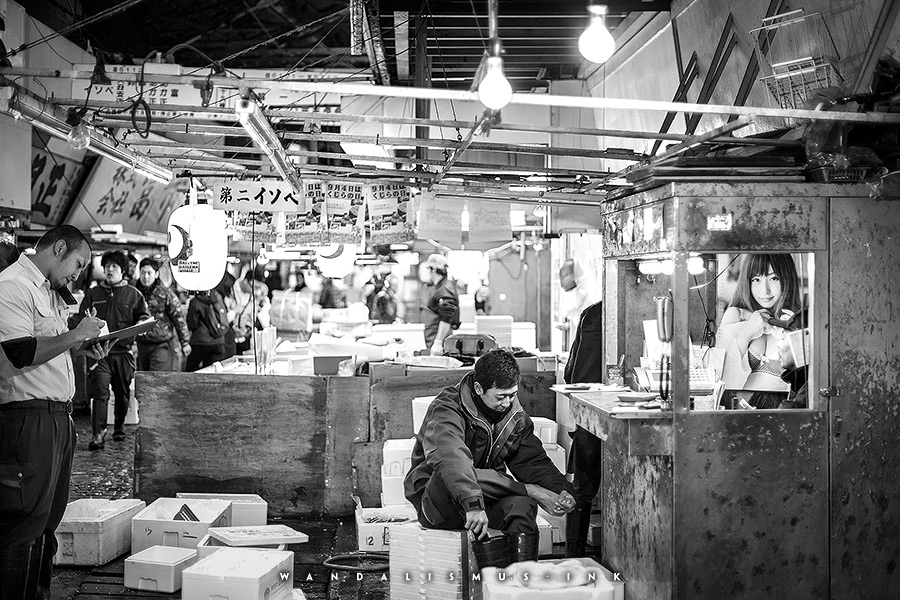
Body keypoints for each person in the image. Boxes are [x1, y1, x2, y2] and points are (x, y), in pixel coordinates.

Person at [0, 225, 110, 599]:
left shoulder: (50, 293)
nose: (78, 274)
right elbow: (21, 353)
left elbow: (49, 351)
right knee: (24, 524)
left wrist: (82, 347)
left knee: (48, 523)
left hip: (58, 419)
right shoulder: (12, 285)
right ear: (59, 247)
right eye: (78, 263)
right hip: (27, 420)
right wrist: (77, 335)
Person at [404, 349, 575, 566]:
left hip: (483, 496)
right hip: (438, 503)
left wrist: (561, 490)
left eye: (512, 395)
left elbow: (532, 461)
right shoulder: (447, 408)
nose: (507, 403)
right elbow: (452, 460)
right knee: (455, 472)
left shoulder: (514, 417)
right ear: (478, 388)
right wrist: (473, 503)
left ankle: (518, 581)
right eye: (500, 396)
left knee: (522, 506)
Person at [76, 250, 150, 449]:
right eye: (107, 266)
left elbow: (143, 316)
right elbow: (79, 318)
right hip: (99, 353)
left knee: (122, 392)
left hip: (123, 354)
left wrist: (142, 325)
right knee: (99, 393)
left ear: (123, 271)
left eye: (114, 267)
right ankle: (97, 435)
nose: (109, 270)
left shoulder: (134, 294)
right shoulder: (93, 293)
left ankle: (119, 426)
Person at [716, 253, 803, 409]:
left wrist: (796, 338)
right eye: (756, 279)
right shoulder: (736, 315)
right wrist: (747, 332)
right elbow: (720, 378)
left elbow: (810, 384)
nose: (765, 290)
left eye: (773, 278)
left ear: (787, 278)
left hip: (784, 414)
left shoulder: (800, 320)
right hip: (737, 411)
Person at [562, 301, 604, 558]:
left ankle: (573, 556)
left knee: (583, 488)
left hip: (587, 409)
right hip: (593, 410)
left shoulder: (592, 312)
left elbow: (569, 372)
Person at [134, 257, 191, 371]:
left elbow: (178, 318)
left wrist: (185, 342)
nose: (146, 277)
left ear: (156, 274)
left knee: (156, 378)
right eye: (143, 273)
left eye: (149, 273)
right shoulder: (133, 293)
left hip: (161, 344)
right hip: (141, 344)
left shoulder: (165, 294)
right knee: (143, 379)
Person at [421, 253, 460, 355]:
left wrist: (438, 342)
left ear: (433, 269)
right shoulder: (439, 287)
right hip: (433, 336)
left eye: (428, 269)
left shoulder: (444, 288)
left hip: (439, 339)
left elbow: (446, 317)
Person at [185, 286, 229, 371]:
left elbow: (192, 324)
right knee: (214, 374)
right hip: (218, 342)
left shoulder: (195, 302)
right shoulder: (218, 297)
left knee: (190, 372)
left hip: (200, 342)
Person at [776, 308, 810, 409]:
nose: (779, 345)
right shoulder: (804, 381)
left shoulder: (812, 386)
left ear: (801, 341)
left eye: (783, 339)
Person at [233, 271, 271, 355]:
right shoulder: (232, 290)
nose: (255, 290)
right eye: (253, 286)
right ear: (246, 281)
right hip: (231, 336)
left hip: (245, 337)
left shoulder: (253, 296)